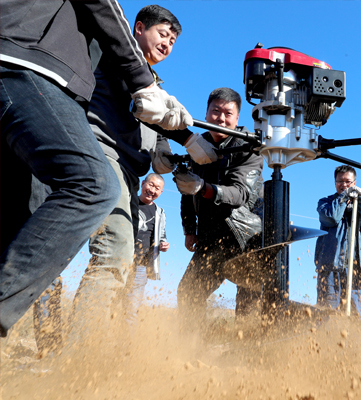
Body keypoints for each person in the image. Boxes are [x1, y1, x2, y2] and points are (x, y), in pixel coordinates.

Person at [0, 0, 195, 338]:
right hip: (102, 156)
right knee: (110, 241)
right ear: (137, 29)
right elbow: (107, 17)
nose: (167, 44)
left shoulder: (153, 86)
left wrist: (172, 154)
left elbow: (155, 131)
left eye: (173, 41)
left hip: (127, 174)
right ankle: (77, 353)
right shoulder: (114, 57)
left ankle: (43, 346)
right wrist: (188, 135)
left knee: (33, 234)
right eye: (163, 34)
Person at [174, 88, 264, 334]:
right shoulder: (196, 145)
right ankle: (193, 348)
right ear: (206, 113)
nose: (221, 119)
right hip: (210, 236)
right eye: (215, 111)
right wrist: (189, 229)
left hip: (244, 237)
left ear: (237, 118)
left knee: (248, 303)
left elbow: (240, 194)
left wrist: (203, 188)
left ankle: (247, 350)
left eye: (228, 113)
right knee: (188, 292)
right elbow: (187, 192)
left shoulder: (249, 147)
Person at [314, 165, 361, 324]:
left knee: (358, 318)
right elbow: (332, 218)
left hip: (357, 270)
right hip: (330, 268)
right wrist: (343, 198)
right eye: (340, 181)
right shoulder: (325, 203)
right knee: (326, 314)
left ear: (355, 183)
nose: (344, 185)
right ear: (335, 182)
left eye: (348, 182)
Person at [123, 173, 169, 328]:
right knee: (112, 303)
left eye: (157, 188)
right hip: (121, 261)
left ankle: (126, 341)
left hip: (140, 267)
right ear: (143, 184)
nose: (152, 190)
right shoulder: (129, 201)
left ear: (161, 192)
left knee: (131, 310)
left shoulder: (159, 212)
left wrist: (163, 244)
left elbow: (161, 235)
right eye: (151, 185)